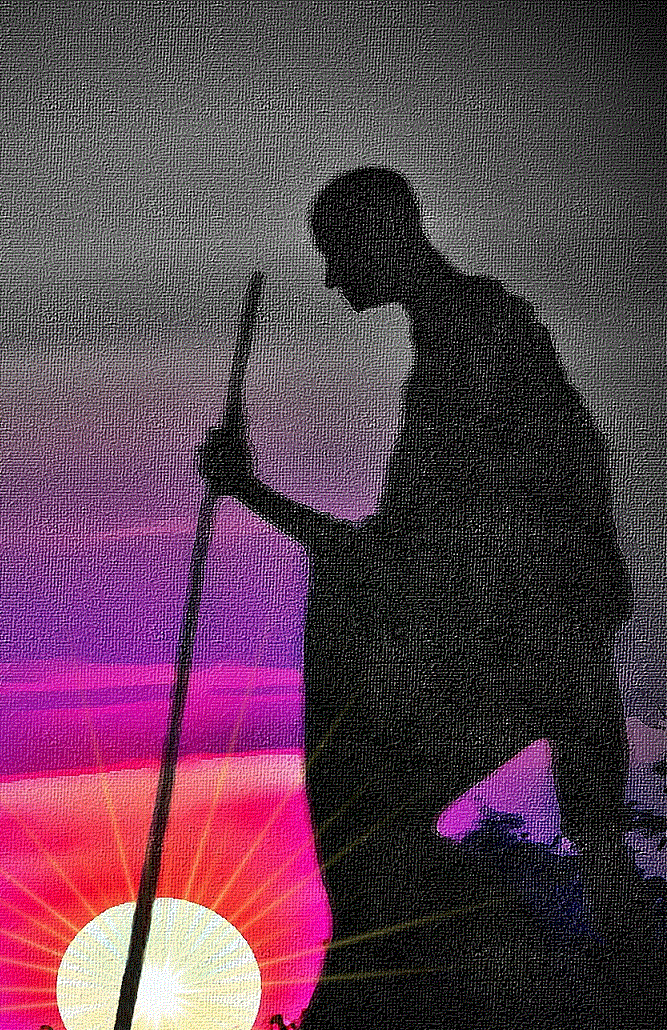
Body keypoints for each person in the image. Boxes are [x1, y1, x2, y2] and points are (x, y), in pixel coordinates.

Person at [199, 166, 642, 960]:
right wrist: (253, 493)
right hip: (529, 637)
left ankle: (514, 963)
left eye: (337, 254)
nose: (331, 278)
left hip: (524, 643)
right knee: (405, 828)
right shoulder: (469, 338)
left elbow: (409, 552)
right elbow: (406, 545)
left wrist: (250, 492)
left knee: (374, 828)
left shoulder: (476, 341)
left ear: (383, 238)